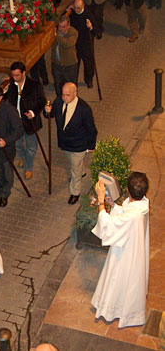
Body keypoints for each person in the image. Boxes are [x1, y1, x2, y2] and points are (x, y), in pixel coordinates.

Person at [92, 172, 150, 328]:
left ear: (128, 191)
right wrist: (114, 206)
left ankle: (114, 310)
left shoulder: (133, 215)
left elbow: (108, 227)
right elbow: (126, 217)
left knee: (119, 279)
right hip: (133, 248)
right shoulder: (143, 205)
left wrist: (101, 201)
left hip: (125, 254)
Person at [44, 82, 97, 205]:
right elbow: (51, 114)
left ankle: (75, 192)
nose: (64, 98)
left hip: (79, 145)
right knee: (73, 163)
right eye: (63, 95)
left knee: (74, 169)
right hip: (65, 143)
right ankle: (81, 171)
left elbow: (91, 129)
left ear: (75, 93)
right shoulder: (58, 102)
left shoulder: (84, 109)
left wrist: (91, 145)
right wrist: (47, 111)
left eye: (67, 95)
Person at [6, 61, 46, 180]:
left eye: (17, 75)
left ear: (24, 73)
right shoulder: (12, 85)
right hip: (16, 121)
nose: (15, 78)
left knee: (31, 146)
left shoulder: (34, 85)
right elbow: (7, 98)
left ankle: (28, 167)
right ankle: (23, 157)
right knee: (17, 144)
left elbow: (42, 101)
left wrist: (33, 113)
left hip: (30, 122)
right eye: (13, 75)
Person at [69, 0, 100, 89]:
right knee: (75, 64)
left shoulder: (88, 15)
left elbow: (97, 32)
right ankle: (73, 82)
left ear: (83, 6)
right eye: (75, 7)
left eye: (78, 8)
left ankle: (89, 79)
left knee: (88, 63)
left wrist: (91, 27)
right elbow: (63, 20)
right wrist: (67, 10)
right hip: (76, 43)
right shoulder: (72, 13)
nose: (76, 10)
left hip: (86, 43)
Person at [51, 15, 79, 97]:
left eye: (63, 27)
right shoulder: (55, 31)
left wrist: (57, 36)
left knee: (71, 86)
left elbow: (67, 43)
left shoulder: (73, 32)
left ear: (68, 25)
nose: (61, 29)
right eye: (59, 26)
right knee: (57, 85)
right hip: (57, 64)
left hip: (70, 65)